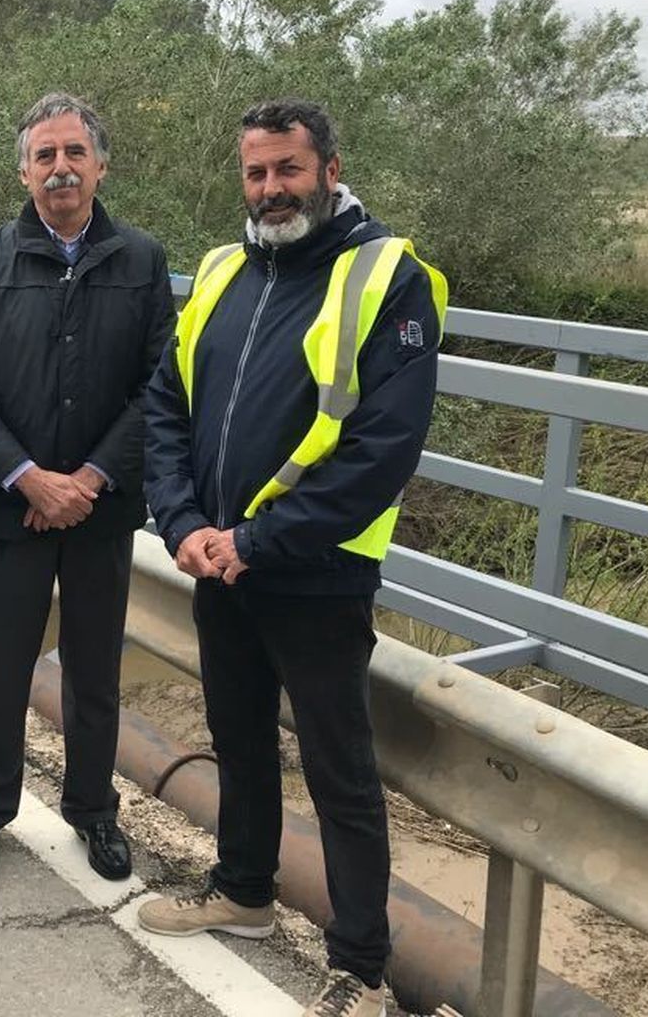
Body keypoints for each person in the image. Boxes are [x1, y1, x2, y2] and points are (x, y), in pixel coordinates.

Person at [140, 98, 447, 1017]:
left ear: (329, 170)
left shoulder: (386, 276)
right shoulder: (224, 268)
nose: (271, 189)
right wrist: (182, 523)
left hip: (317, 572)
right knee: (237, 739)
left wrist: (256, 541)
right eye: (257, 172)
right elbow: (168, 405)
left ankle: (361, 968)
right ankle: (243, 893)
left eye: (289, 170)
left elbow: (384, 448)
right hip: (216, 561)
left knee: (338, 774)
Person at [0, 92, 175, 887]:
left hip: (101, 510)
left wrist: (90, 478)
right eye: (45, 155)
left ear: (101, 165)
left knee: (95, 672)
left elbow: (161, 384)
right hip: (8, 507)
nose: (60, 168)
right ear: (24, 172)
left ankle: (94, 809)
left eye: (74, 153)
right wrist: (29, 478)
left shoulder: (141, 262)